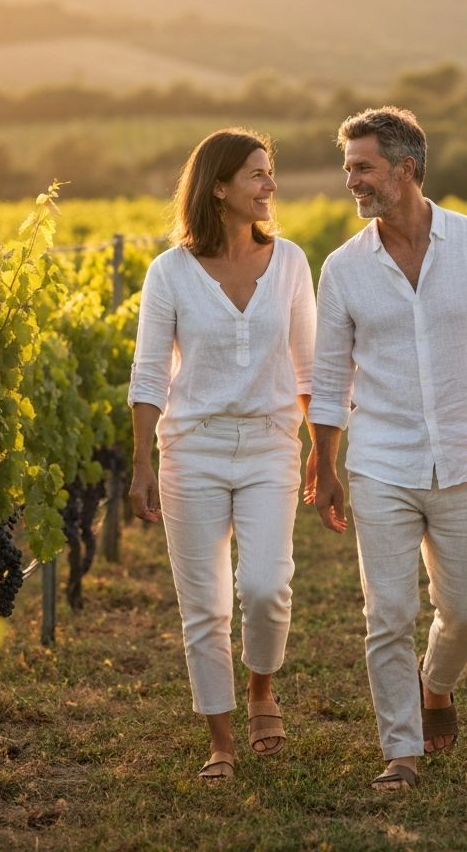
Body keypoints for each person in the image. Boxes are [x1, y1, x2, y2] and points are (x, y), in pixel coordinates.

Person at [308, 107, 467, 791]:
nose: (351, 181)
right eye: (349, 166)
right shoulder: (343, 269)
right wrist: (324, 465)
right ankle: (400, 750)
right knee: (387, 613)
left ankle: (435, 684)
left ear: (406, 169)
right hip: (380, 458)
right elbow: (328, 379)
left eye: (363, 168)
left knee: (466, 610)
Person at [127, 128, 316, 784]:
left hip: (269, 446)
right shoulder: (169, 273)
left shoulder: (290, 261)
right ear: (218, 188)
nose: (270, 185)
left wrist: (322, 447)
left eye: (271, 172)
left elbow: (309, 365)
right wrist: (142, 464)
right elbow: (149, 374)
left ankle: (262, 687)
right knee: (204, 605)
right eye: (258, 174)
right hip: (191, 451)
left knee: (266, 587)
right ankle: (222, 740)